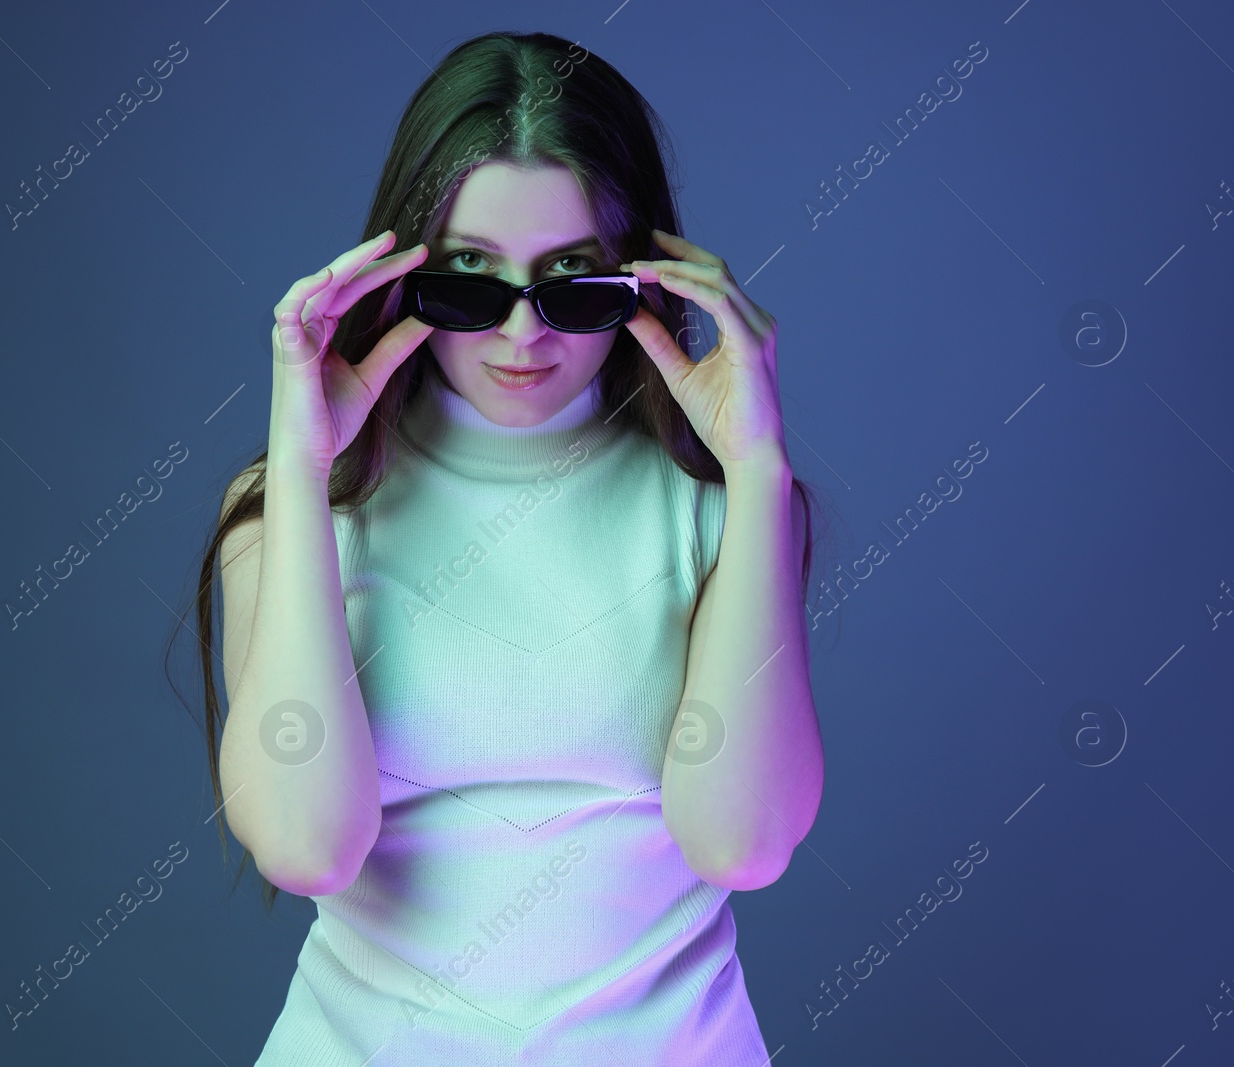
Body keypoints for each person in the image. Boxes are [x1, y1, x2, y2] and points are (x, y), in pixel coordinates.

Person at [179, 30, 824, 1066]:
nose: (522, 337)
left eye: (573, 281)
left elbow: (741, 842)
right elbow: (306, 847)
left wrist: (753, 469)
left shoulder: (720, 507)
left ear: (642, 278)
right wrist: (300, 475)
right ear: (402, 272)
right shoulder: (292, 508)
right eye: (470, 281)